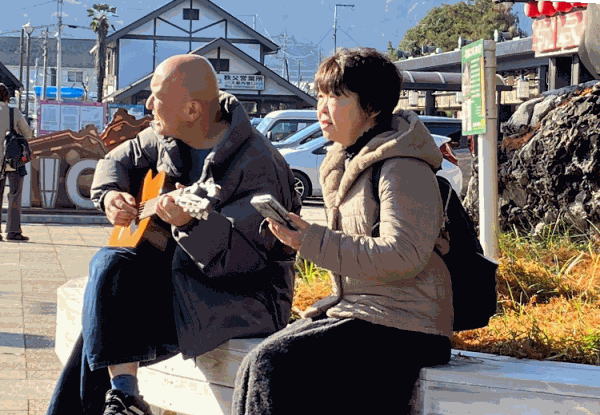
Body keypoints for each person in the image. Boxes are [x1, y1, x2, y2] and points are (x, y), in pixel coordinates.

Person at [46, 54, 300, 415]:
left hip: (239, 299)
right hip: (176, 280)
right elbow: (115, 161)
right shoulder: (164, 136)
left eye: (157, 96)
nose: (148, 105)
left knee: (102, 323)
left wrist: (192, 224)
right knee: (108, 266)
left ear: (192, 110)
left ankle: (124, 396)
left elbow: (245, 260)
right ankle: (124, 396)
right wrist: (110, 194)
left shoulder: (258, 164)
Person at [232, 48, 453, 415]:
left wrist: (311, 240)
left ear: (372, 107)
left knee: (273, 363)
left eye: (335, 96)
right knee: (256, 362)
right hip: (363, 313)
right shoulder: (351, 161)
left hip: (407, 326)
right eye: (320, 95)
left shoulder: (403, 167)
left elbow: (404, 254)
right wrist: (300, 239)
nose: (321, 108)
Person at [0, 83, 33, 242]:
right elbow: (28, 133)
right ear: (7, 96)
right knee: (14, 194)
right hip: (13, 160)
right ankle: (13, 231)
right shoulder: (14, 112)